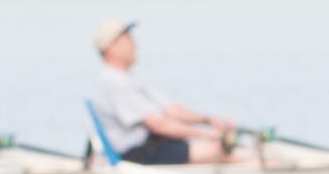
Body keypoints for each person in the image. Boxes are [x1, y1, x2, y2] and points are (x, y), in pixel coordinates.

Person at [89, 21, 246, 165]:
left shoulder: (130, 78)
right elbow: (158, 125)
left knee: (220, 146)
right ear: (113, 48)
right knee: (217, 149)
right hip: (139, 155)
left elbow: (169, 109)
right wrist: (209, 135)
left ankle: (250, 164)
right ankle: (254, 169)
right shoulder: (113, 82)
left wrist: (211, 121)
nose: (136, 44)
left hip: (156, 145)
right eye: (129, 39)